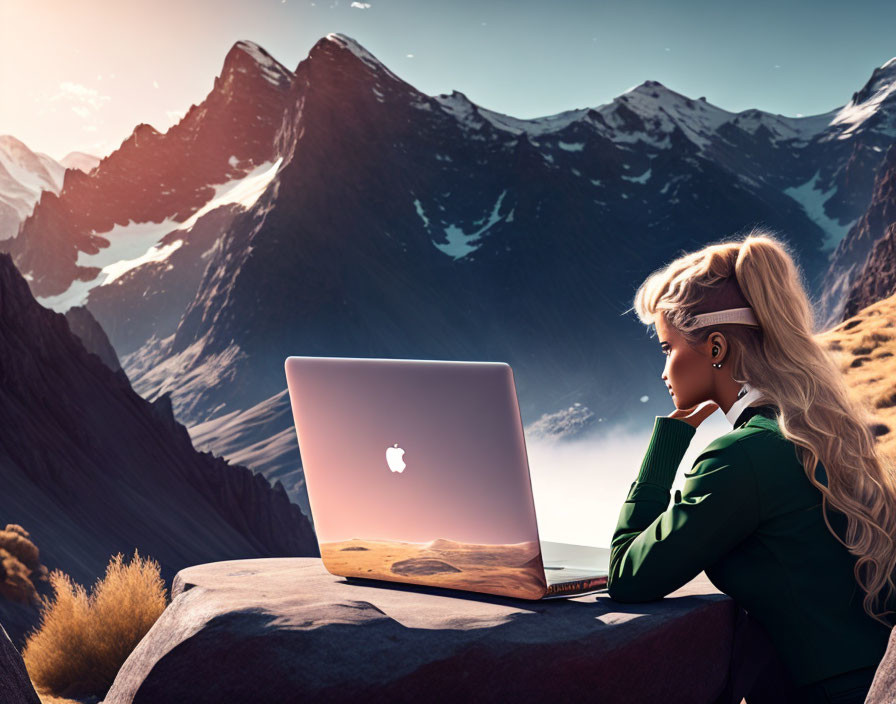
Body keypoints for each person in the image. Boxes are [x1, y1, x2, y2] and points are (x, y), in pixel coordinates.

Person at [608, 229, 896, 703]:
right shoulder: (824, 434)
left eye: (667, 348)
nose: (663, 371)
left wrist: (669, 438)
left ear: (716, 348)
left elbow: (627, 574)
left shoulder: (740, 457)